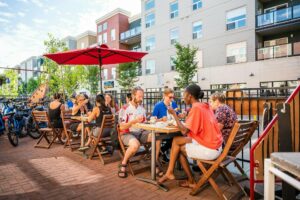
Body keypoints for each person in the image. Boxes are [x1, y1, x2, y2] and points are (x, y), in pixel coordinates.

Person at [158, 84, 223, 188]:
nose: (183, 97)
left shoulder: (196, 108)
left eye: (184, 94)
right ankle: (170, 172)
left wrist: (174, 114)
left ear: (190, 96)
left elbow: (184, 131)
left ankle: (190, 180)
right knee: (176, 140)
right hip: (216, 145)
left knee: (178, 149)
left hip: (210, 149)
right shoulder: (205, 106)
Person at [118, 87, 162, 178]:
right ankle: (124, 163)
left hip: (141, 133)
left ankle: (154, 162)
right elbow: (121, 126)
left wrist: (156, 120)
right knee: (135, 145)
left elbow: (145, 123)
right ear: (133, 95)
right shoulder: (125, 108)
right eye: (139, 96)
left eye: (142, 96)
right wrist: (132, 122)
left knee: (157, 138)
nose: (141, 98)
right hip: (127, 133)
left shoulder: (142, 109)